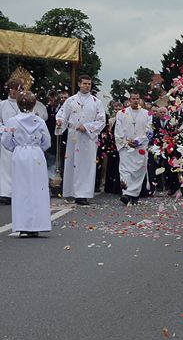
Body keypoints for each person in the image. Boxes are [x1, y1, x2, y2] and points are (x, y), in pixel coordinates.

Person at [0, 91, 52, 237]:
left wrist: (16, 148)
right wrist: (37, 149)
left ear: (18, 104)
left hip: (20, 154)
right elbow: (47, 141)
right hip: (36, 155)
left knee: (21, 188)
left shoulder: (12, 121)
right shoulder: (39, 121)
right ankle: (37, 224)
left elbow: (5, 140)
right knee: (37, 188)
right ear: (34, 104)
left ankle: (23, 225)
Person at [55, 75, 106, 205]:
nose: (87, 86)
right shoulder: (70, 101)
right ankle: (71, 192)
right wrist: (60, 121)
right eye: (84, 83)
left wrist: (88, 127)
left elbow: (102, 121)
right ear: (79, 84)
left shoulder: (96, 102)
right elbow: (62, 114)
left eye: (89, 84)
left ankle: (83, 194)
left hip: (88, 138)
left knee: (86, 166)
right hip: (73, 137)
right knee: (72, 163)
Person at [114, 92, 153, 205]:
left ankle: (134, 194)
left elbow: (149, 131)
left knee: (138, 172)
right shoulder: (121, 113)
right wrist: (126, 142)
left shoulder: (147, 113)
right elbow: (118, 130)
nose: (135, 100)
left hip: (140, 147)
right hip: (126, 147)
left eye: (137, 98)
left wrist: (138, 141)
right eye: (133, 98)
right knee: (125, 171)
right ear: (129, 100)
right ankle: (126, 193)